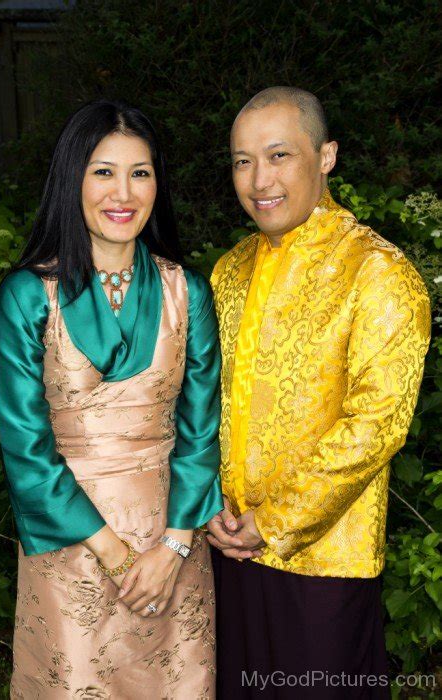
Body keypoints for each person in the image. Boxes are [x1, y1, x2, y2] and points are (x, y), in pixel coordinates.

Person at [0, 99, 223, 698]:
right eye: (102, 171)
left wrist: (171, 546)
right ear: (73, 179)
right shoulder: (27, 295)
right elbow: (27, 452)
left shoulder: (187, 292)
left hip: (173, 551)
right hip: (73, 553)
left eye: (140, 173)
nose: (124, 192)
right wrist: (116, 556)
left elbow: (200, 433)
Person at [207, 87, 431, 699]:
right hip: (231, 549)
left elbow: (377, 424)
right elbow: (207, 402)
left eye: (279, 156)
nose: (259, 180)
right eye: (242, 161)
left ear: (326, 156)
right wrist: (211, 509)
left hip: (325, 561)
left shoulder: (378, 272)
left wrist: (274, 523)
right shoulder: (230, 270)